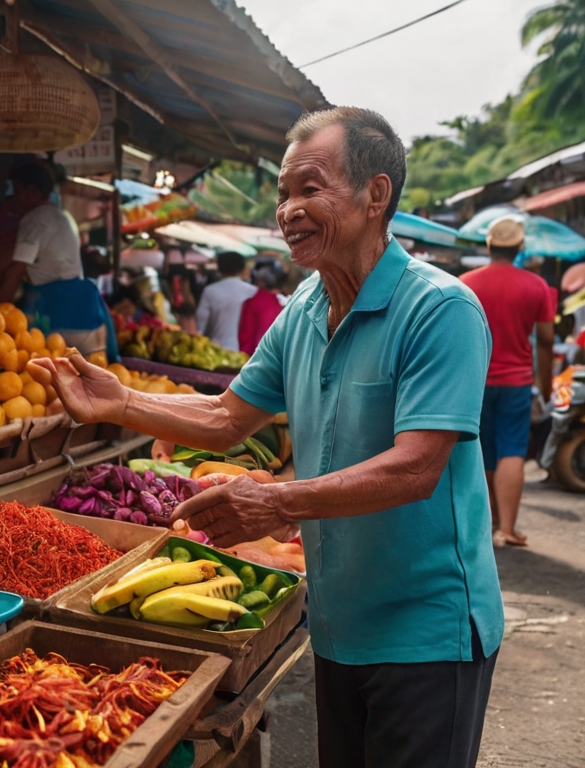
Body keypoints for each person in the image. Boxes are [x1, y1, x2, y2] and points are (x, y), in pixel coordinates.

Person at [31, 107, 502, 768]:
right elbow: (229, 418)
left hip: (426, 631)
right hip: (339, 626)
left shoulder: (440, 309)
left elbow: (415, 468)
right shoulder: (302, 310)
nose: (288, 210)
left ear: (376, 195)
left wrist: (277, 501)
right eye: (283, 195)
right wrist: (124, 401)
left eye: (310, 189)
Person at [460, 217, 556, 547]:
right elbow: (545, 340)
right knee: (512, 451)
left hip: (475, 380)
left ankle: (490, 522)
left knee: (482, 450)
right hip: (517, 381)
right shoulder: (537, 286)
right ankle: (508, 529)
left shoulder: (465, 283)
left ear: (488, 246)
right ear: (519, 248)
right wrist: (546, 384)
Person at [0, 163, 117, 359]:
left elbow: (16, 270)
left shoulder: (35, 219)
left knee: (46, 370)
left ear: (32, 191)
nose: (13, 197)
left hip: (55, 311)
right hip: (85, 314)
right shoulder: (64, 218)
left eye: (17, 190)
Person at [194, 251, 257, 351]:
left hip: (215, 351)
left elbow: (200, 326)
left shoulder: (210, 291)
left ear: (219, 268)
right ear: (242, 268)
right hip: (245, 353)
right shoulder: (253, 292)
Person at [237, 258, 285, 355]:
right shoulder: (282, 303)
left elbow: (246, 334)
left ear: (260, 281)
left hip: (254, 356)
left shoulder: (252, 302)